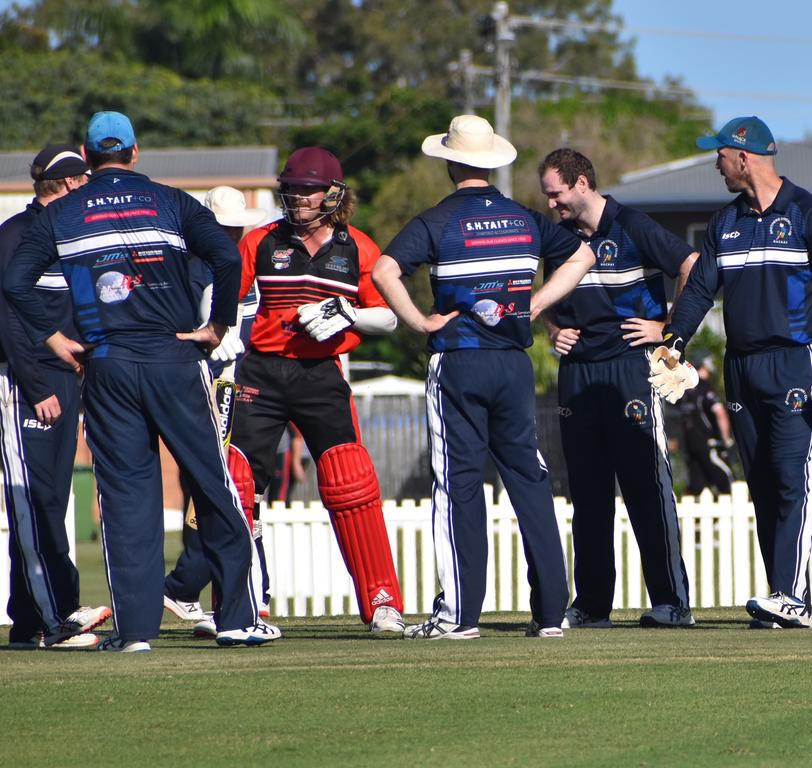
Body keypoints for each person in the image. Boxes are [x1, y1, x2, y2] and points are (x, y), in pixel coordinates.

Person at [4, 111, 278, 651]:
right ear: (134, 153)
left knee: (127, 497)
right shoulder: (172, 201)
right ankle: (238, 618)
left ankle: (135, 633)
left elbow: (14, 282)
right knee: (212, 482)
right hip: (174, 358)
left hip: (105, 367)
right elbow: (226, 257)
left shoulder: (63, 214)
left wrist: (54, 340)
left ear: (87, 156)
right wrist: (217, 325)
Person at [372, 115, 596, 639]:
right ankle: (551, 614)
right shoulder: (525, 218)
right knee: (530, 480)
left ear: (451, 162)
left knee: (459, 486)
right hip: (513, 364)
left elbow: (384, 270)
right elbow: (583, 255)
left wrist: (421, 321)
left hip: (459, 361)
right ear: (493, 162)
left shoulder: (436, 221)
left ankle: (459, 616)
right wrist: (534, 305)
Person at [650, 116, 812, 629]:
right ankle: (784, 597)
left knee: (793, 479)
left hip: (795, 361)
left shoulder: (808, 213)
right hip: (741, 366)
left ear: (743, 157)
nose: (715, 163)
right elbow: (700, 288)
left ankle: (792, 596)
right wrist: (674, 340)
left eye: (719, 154)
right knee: (763, 485)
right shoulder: (725, 222)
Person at [225, 146, 407, 634]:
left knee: (351, 481)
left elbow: (388, 315)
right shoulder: (260, 241)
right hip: (260, 373)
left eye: (308, 189)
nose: (299, 197)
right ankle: (242, 604)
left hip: (321, 373)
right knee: (237, 483)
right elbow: (228, 304)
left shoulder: (359, 248)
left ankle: (383, 602)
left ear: (333, 193)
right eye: (293, 188)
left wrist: (347, 314)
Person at [536, 147, 698, 629]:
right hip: (578, 373)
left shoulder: (633, 224)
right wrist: (551, 329)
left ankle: (672, 603)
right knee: (586, 493)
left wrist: (668, 329)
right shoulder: (560, 238)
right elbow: (542, 294)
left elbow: (690, 264)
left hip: (630, 368)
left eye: (557, 194)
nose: (552, 205)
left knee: (647, 486)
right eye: (547, 197)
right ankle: (591, 606)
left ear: (582, 183)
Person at [0, 144, 111, 650]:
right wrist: (36, 384)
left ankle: (32, 619)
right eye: (84, 182)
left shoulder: (75, 235)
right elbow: (7, 319)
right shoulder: (16, 236)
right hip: (28, 386)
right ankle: (56, 617)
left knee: (51, 500)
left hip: (67, 384)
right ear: (66, 185)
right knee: (34, 504)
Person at [163, 185, 267, 636]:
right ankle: (184, 585)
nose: (230, 235)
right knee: (216, 487)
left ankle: (196, 588)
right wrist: (209, 340)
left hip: (234, 379)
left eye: (235, 227)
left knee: (226, 486)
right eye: (223, 227)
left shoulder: (239, 262)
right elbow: (182, 326)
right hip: (206, 380)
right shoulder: (194, 265)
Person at [678, 356, 734, 497]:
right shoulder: (705, 387)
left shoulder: (684, 391)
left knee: (698, 488)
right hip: (709, 444)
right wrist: (726, 439)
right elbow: (720, 413)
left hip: (691, 446)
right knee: (727, 484)